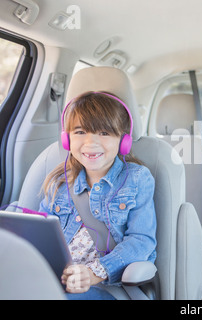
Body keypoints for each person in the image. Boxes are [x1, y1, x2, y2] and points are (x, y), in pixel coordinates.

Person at [39, 91, 157, 300]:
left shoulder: (137, 179)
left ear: (123, 141)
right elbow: (40, 233)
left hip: (106, 286)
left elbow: (142, 241)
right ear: (66, 139)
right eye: (80, 132)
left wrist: (94, 273)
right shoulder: (58, 182)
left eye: (104, 133)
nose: (91, 143)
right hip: (57, 282)